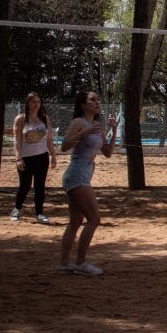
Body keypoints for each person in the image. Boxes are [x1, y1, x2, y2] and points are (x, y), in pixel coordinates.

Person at [58, 91, 118, 276]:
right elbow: (64, 145)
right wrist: (83, 133)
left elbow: (107, 152)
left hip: (85, 173)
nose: (97, 102)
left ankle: (64, 264)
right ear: (83, 104)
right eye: (92, 100)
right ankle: (80, 262)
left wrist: (114, 130)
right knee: (94, 219)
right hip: (76, 175)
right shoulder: (79, 123)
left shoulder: (98, 126)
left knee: (76, 221)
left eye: (98, 100)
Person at [11, 92, 57, 224]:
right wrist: (18, 158)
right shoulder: (20, 119)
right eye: (33, 102)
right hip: (26, 157)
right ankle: (17, 209)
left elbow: (49, 139)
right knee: (24, 185)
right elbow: (17, 140)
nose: (36, 105)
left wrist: (53, 155)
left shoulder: (45, 119)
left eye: (38, 102)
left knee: (40, 186)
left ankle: (39, 212)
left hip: (42, 157)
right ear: (27, 104)